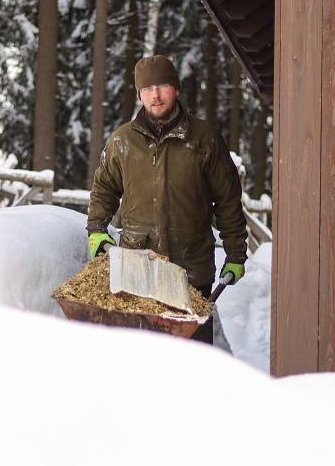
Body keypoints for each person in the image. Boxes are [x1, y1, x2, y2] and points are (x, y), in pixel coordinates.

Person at [86, 55, 247, 344]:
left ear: (176, 89)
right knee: (143, 359)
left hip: (191, 272)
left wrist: (235, 255)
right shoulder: (122, 141)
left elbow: (228, 201)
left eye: (162, 86)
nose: (155, 95)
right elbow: (104, 189)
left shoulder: (204, 140)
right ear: (139, 94)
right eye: (147, 89)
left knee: (192, 359)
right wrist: (97, 230)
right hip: (138, 271)